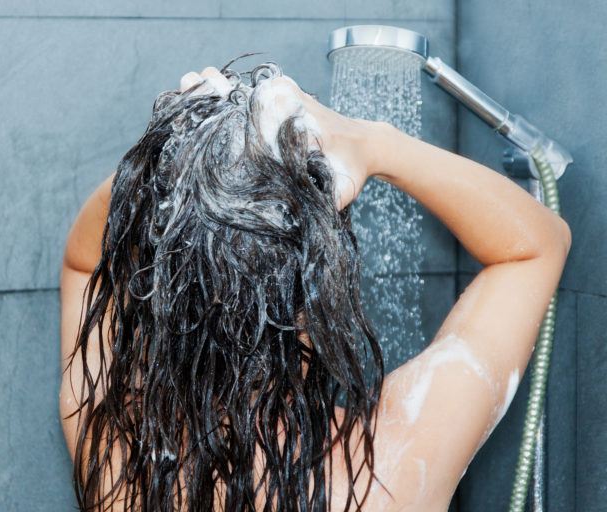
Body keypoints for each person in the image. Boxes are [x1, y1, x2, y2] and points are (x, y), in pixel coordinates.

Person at [57, 60, 571, 511]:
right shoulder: (391, 468)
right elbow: (533, 248)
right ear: (318, 290)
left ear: (170, 292)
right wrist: (372, 144)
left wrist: (170, 156)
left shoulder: (118, 456)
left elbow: (84, 262)